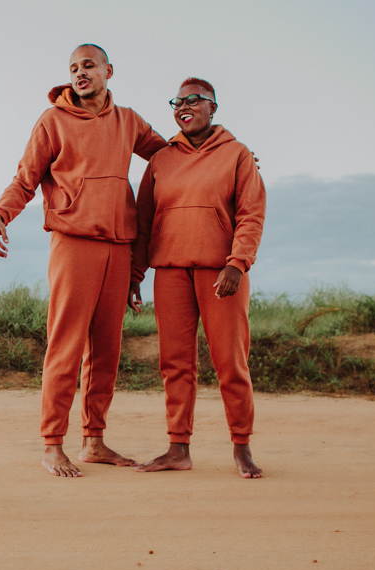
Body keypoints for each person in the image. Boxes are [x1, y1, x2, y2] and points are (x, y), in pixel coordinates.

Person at [0, 44, 167, 477]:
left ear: (109, 70)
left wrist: (223, 156)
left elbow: (168, 155)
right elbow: (26, 177)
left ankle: (94, 440)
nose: (80, 73)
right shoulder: (54, 121)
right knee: (66, 346)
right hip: (74, 242)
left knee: (106, 350)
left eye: (88, 65)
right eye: (73, 68)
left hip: (119, 245)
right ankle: (52, 444)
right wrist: (0, 213)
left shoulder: (129, 121)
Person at [131, 77, 265, 478]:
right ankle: (178, 448)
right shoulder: (161, 160)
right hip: (169, 270)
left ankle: (242, 448)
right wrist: (135, 275)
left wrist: (237, 263)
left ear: (213, 107)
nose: (183, 106)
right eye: (177, 101)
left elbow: (251, 213)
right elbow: (143, 220)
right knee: (175, 364)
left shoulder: (237, 155)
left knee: (230, 362)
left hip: (220, 273)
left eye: (194, 99)